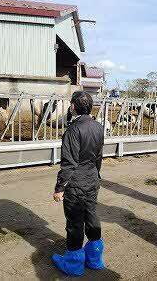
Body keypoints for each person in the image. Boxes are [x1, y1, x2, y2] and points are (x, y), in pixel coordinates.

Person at [52, 91, 105, 277]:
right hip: (92, 179)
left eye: (70, 103)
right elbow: (98, 156)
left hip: (76, 183)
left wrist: (60, 187)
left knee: (75, 222)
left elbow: (69, 163)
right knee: (91, 216)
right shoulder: (98, 127)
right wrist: (96, 176)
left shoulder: (73, 130)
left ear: (73, 106)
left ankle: (74, 263)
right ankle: (95, 258)